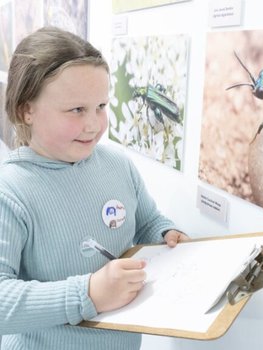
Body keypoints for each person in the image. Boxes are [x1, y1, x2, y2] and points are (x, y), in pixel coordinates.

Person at [0, 26, 188, 350]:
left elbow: (147, 222)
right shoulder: (10, 192)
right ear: (25, 110)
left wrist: (166, 234)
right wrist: (87, 294)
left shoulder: (117, 164)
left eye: (101, 106)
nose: (94, 125)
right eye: (76, 110)